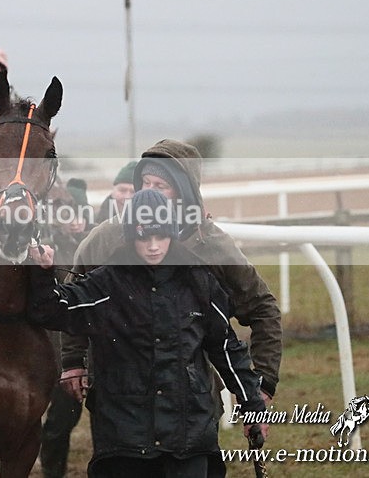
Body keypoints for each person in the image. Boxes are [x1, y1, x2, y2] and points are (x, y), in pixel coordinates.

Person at [28, 189, 269, 477]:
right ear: (131, 237)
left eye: (161, 236)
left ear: (172, 235)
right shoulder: (105, 284)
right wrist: (42, 272)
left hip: (189, 434)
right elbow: (52, 310)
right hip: (125, 438)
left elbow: (226, 349)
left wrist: (252, 406)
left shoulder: (199, 281)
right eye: (144, 238)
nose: (153, 246)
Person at [60, 140, 282, 414]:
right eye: (145, 183)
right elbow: (72, 301)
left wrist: (263, 381)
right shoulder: (106, 238)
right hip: (119, 403)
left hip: (192, 405)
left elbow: (262, 307)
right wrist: (73, 361)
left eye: (160, 186)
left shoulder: (212, 247)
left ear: (183, 193)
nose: (149, 192)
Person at [37, 178, 90, 478]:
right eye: (65, 211)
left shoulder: (86, 246)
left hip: (73, 345)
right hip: (46, 345)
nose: (74, 219)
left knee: (66, 416)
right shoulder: (45, 245)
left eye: (77, 211)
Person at [95, 160, 137, 225]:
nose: (127, 197)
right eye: (122, 190)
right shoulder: (93, 222)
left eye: (133, 192)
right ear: (113, 190)